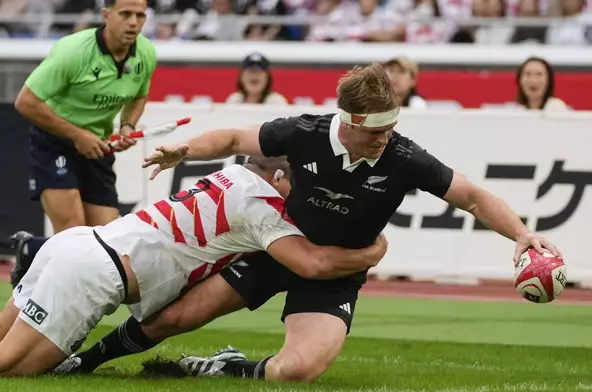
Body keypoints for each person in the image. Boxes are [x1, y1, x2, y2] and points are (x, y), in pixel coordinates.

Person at [58, 63, 562, 382]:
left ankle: (230, 367)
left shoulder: (405, 157)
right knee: (172, 318)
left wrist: (520, 233)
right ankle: (84, 363)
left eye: (394, 126)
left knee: (297, 371)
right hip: (274, 250)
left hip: (337, 272)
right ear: (348, 120)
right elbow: (234, 138)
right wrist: (184, 151)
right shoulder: (304, 133)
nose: (387, 137)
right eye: (378, 129)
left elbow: (471, 196)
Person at [0, 156, 386, 376]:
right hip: (94, 270)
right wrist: (371, 254)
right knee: (14, 368)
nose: (295, 196)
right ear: (278, 176)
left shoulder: (231, 174)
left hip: (75, 244)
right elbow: (311, 264)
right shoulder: (261, 206)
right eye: (293, 185)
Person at [9, 0, 157, 289]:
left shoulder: (146, 53)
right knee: (73, 233)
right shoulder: (73, 51)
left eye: (140, 15)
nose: (133, 22)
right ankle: (39, 306)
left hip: (98, 147)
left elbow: (139, 94)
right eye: (125, 14)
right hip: (54, 143)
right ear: (106, 15)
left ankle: (32, 249)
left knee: (107, 240)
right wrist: (78, 135)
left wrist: (128, 125)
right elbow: (25, 102)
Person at [224, 53, 288, 105]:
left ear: (268, 77)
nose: (254, 75)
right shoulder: (234, 100)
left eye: (258, 71)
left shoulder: (276, 102)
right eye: (250, 70)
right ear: (241, 76)